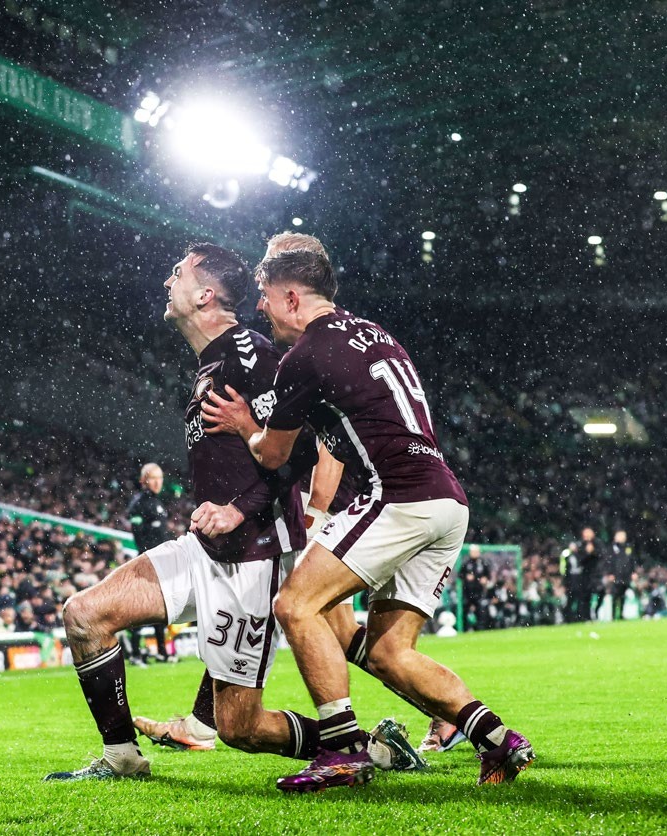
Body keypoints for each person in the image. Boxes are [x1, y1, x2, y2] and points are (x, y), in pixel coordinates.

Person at [44, 243, 416, 782]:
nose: (167, 279)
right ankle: (122, 758)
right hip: (207, 548)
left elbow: (307, 450)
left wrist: (242, 510)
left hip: (254, 558)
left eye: (179, 272)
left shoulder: (252, 354)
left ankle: (376, 749)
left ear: (205, 295)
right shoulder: (210, 362)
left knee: (239, 727)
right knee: (85, 615)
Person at [203, 249, 534, 791]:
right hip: (446, 500)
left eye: (266, 297)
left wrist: (244, 424)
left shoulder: (305, 356)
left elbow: (272, 454)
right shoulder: (373, 332)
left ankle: (343, 749)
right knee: (387, 652)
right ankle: (498, 740)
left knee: (295, 603)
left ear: (293, 297)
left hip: (396, 494)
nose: (260, 308)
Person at [134, 232, 448, 760]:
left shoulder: (308, 350)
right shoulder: (338, 338)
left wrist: (316, 512)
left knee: (330, 626)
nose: (262, 296)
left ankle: (414, 723)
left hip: (342, 508)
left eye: (272, 268)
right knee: (329, 626)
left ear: (295, 282)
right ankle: (204, 718)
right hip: (363, 501)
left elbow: (323, 450)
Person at [125, 463, 176, 664]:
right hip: (148, 563)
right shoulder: (139, 503)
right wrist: (149, 558)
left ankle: (162, 651)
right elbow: (139, 536)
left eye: (160, 478)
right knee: (142, 607)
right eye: (153, 478)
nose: (157, 482)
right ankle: (136, 653)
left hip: (161, 562)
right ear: (144, 480)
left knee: (160, 608)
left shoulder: (157, 502)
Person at [607, 530, 634, 620]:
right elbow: (609, 561)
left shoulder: (628, 547)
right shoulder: (612, 548)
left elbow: (632, 561)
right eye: (620, 536)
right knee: (615, 595)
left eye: (623, 536)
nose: (622, 538)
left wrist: (633, 572)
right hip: (616, 575)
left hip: (626, 576)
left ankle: (621, 614)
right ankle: (613, 615)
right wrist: (610, 573)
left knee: (622, 596)